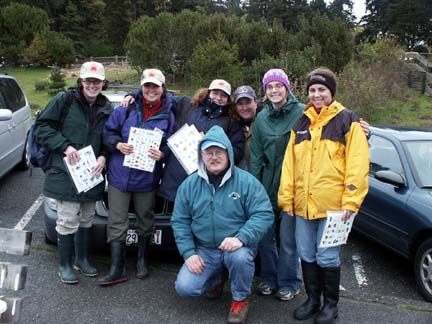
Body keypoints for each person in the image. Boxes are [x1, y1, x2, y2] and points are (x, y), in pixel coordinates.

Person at [278, 67, 370, 324]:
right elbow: (290, 165)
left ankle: (331, 306)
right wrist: (286, 198)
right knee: (306, 254)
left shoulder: (347, 120)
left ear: (331, 92)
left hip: (335, 209)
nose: (317, 95)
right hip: (303, 206)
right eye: (312, 90)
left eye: (322, 90)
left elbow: (358, 164)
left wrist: (351, 201)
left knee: (327, 256)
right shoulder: (301, 123)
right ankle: (312, 300)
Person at [171, 125, 273, 324]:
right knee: (185, 288)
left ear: (228, 153)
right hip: (205, 249)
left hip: (236, 247)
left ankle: (240, 299)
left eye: (219, 151)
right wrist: (189, 253)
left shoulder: (246, 182)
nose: (214, 157)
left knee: (240, 258)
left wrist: (241, 238)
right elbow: (180, 221)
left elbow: (263, 214)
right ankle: (216, 279)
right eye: (209, 152)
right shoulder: (189, 185)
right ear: (201, 155)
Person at [34, 61, 113, 284]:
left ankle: (82, 259)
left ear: (103, 83)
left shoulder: (107, 108)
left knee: (87, 219)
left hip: (90, 176)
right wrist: (65, 146)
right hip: (65, 175)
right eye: (88, 80)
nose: (92, 85)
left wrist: (104, 155)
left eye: (96, 81)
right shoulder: (64, 100)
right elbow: (41, 127)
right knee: (68, 219)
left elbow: (109, 138)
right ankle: (65, 265)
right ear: (81, 82)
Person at [97, 68, 175, 286]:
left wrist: (163, 154)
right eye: (147, 86)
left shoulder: (169, 112)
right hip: (119, 175)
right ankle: (116, 267)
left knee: (145, 218)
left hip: (147, 177)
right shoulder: (126, 107)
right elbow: (108, 132)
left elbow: (171, 141)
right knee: (117, 220)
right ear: (141, 87)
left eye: (155, 86)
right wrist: (117, 144)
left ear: (162, 89)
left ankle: (142, 260)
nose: (151, 90)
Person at [249, 68, 305, 300]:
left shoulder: (303, 112)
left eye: (278, 86)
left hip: (293, 186)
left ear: (287, 88)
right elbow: (256, 157)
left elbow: (332, 122)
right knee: (265, 238)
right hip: (267, 187)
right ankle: (269, 278)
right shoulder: (261, 118)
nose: (274, 90)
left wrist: (362, 130)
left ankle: (290, 282)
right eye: (269, 87)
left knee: (289, 240)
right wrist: (255, 190)